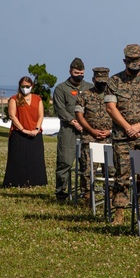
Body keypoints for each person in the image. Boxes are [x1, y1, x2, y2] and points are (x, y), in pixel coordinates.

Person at [105, 44, 140, 224]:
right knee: (121, 175)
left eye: (138, 61)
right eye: (131, 61)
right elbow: (111, 108)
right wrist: (128, 126)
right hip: (122, 137)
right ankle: (119, 212)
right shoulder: (114, 82)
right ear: (125, 61)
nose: (135, 64)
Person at [53, 57, 89, 201]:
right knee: (65, 162)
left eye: (81, 72)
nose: (79, 75)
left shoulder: (89, 87)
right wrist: (74, 122)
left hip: (86, 129)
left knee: (86, 163)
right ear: (70, 71)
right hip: (69, 130)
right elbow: (60, 109)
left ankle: (85, 192)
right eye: (76, 72)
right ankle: (62, 192)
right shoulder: (61, 88)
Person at [75, 67, 113, 201]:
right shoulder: (84, 95)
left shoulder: (113, 96)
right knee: (87, 171)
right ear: (93, 80)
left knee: (111, 171)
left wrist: (109, 131)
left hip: (109, 139)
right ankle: (87, 197)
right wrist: (91, 130)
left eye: (104, 82)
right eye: (99, 82)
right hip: (90, 138)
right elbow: (79, 115)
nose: (102, 85)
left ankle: (111, 198)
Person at [3, 76, 47, 188]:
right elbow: (12, 116)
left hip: (35, 133)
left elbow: (41, 115)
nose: (25, 88)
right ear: (19, 86)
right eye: (23, 86)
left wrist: (36, 129)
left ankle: (36, 181)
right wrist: (23, 130)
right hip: (18, 133)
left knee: (35, 159)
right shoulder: (14, 99)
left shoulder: (38, 99)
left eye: (27, 86)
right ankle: (15, 182)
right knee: (18, 158)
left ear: (32, 86)